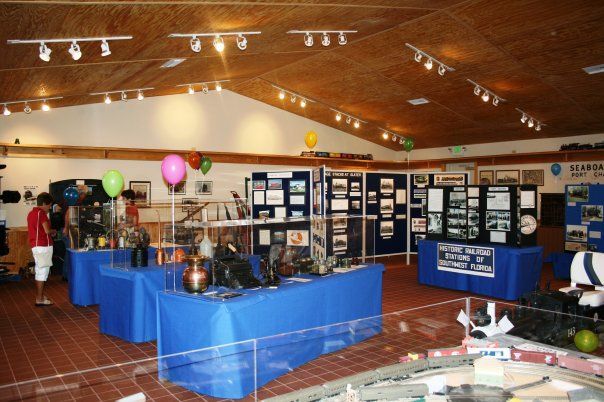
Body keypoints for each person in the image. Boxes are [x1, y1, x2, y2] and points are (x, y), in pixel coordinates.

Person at [27, 192, 56, 306]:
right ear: (44, 203)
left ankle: (40, 296)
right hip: (43, 246)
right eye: (49, 205)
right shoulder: (42, 213)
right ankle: (39, 298)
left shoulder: (31, 213)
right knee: (42, 272)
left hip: (36, 245)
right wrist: (53, 231)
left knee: (40, 270)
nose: (49, 208)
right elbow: (47, 231)